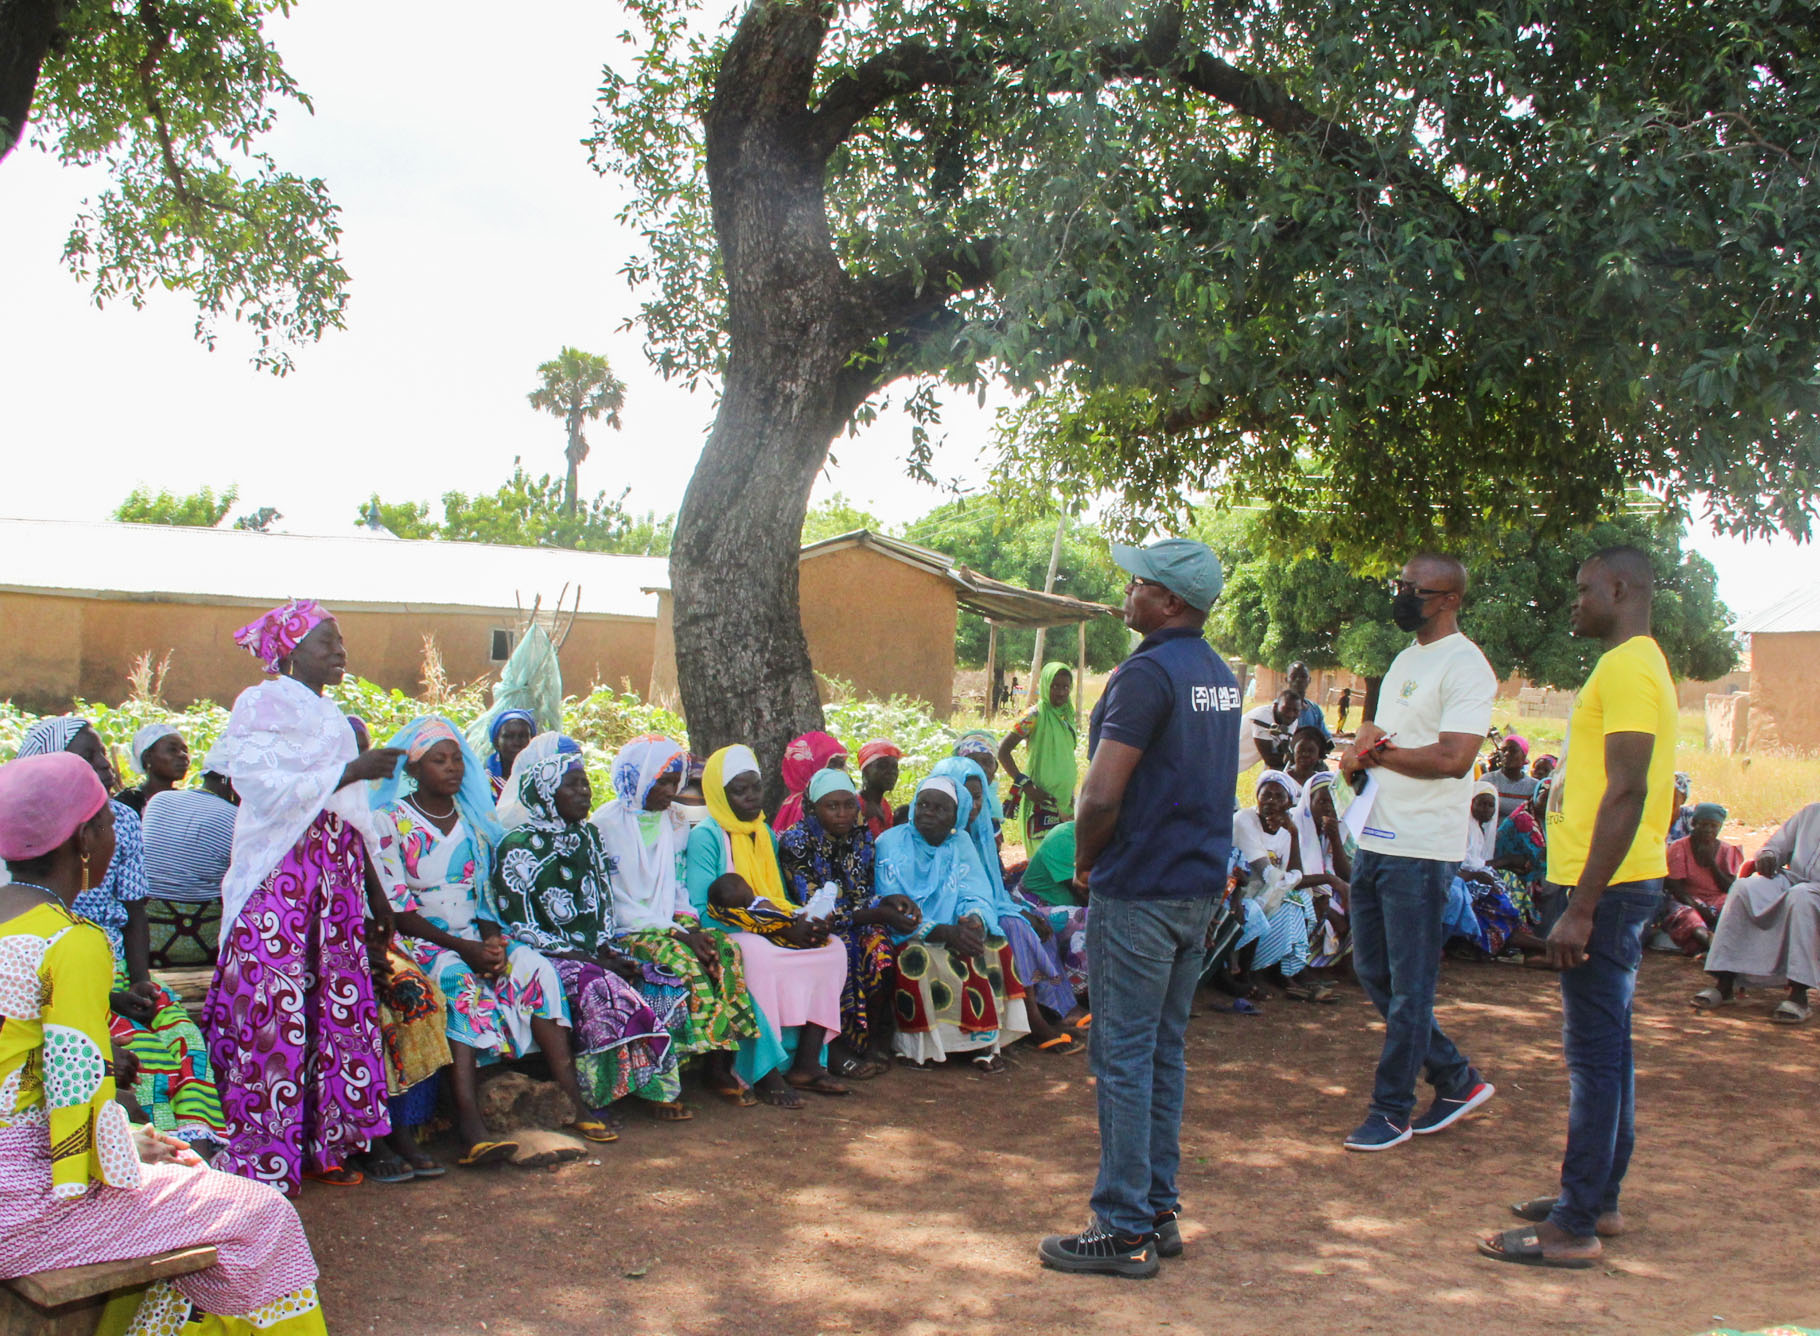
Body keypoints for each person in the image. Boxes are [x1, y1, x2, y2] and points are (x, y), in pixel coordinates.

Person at [0, 752, 330, 1334]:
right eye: (106, 825)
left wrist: (125, 1136)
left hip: (20, 1169)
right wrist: (131, 1152)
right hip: (26, 1202)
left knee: (184, 1184)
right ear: (84, 839)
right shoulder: (71, 942)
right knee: (263, 1215)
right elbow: (74, 1104)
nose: (114, 840)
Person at [1039, 536, 1238, 1279]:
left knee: (1121, 1055)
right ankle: (1157, 1208)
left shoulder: (1145, 674)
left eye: (1139, 584)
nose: (1127, 594)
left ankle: (1121, 1227)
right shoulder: (1220, 675)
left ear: (1171, 602)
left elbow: (1100, 793)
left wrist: (1085, 860)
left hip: (1142, 890)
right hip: (1194, 890)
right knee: (1163, 1051)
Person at [1478, 546, 1677, 1270]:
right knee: (1609, 1051)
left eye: (1583, 588)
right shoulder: (1638, 662)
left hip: (1609, 889)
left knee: (1592, 1058)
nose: (1574, 601)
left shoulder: (1628, 666)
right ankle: (1600, 1197)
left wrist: (1584, 906)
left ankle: (1574, 1224)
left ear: (1618, 588)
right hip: (1613, 885)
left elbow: (1628, 789)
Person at [200, 600, 400, 1193]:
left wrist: (377, 895)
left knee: (326, 1009)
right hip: (280, 873)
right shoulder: (258, 702)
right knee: (274, 1003)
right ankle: (259, 1156)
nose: (340, 652)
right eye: (327, 642)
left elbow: (350, 812)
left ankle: (320, 1145)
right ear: (288, 651)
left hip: (333, 876)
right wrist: (352, 769)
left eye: (341, 642)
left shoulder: (332, 715)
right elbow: (258, 786)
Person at [370, 719, 616, 1160]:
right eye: (438, 761)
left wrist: (493, 943)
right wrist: (466, 950)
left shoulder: (472, 823)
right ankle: (471, 1126)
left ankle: (572, 1101)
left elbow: (486, 899)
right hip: (422, 941)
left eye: (457, 760)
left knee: (536, 971)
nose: (452, 769)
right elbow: (400, 913)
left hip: (473, 936)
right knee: (458, 983)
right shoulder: (389, 822)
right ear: (413, 769)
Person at [1337, 552, 1497, 1154]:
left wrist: (1378, 755)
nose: (1402, 595)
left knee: (1410, 987)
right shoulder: (1406, 657)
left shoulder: (1467, 666)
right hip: (1376, 834)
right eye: (1399, 585)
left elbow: (1453, 759)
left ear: (1450, 598)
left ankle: (1392, 1109)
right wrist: (1361, 752)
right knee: (1373, 972)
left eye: (1414, 589)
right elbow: (1373, 734)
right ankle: (1455, 1078)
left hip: (1423, 850)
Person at [15, 717, 229, 1152]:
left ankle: (197, 1140)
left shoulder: (124, 821)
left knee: (184, 1039)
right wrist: (109, 998)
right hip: (70, 987)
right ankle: (162, 1147)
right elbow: (50, 984)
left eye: (102, 753)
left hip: (114, 974)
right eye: (88, 756)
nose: (105, 764)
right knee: (145, 1060)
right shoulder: (31, 847)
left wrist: (139, 981)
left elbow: (134, 910)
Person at [489, 748, 689, 1120]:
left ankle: (652, 1088)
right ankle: (593, 1096)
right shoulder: (518, 847)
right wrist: (589, 958)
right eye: (573, 785)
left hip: (591, 951)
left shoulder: (587, 837)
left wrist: (605, 950)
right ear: (547, 792)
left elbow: (600, 905)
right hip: (545, 956)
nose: (585, 793)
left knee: (660, 976)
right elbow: (520, 924)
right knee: (599, 987)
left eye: (586, 784)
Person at [591, 735, 760, 1105]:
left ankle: (719, 1064)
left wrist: (691, 927)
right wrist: (677, 935)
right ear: (638, 778)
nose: (671, 790)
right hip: (625, 929)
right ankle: (665, 1080)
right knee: (682, 963)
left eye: (675, 781)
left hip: (670, 926)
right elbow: (611, 901)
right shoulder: (605, 825)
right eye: (663, 781)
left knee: (725, 951)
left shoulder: (676, 821)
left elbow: (678, 885)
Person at [687, 745, 850, 1107]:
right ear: (719, 792)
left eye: (755, 788)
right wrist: (768, 930)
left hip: (769, 922)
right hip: (729, 928)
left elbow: (776, 896)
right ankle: (763, 1069)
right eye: (738, 790)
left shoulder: (765, 834)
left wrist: (803, 921)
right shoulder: (708, 836)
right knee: (756, 955)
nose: (749, 798)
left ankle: (806, 1062)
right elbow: (700, 909)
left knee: (833, 948)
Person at [874, 776, 1025, 1069]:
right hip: (908, 931)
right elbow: (889, 901)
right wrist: (939, 930)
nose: (928, 812)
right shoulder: (891, 842)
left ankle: (983, 1043)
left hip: (954, 926)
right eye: (923, 805)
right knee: (915, 958)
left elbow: (975, 890)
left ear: (955, 816)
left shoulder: (961, 842)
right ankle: (924, 1048)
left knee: (994, 945)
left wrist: (974, 921)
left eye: (940, 808)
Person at [933, 755, 1082, 1048]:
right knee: (1014, 927)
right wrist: (1006, 912)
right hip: (951, 913)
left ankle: (1057, 1007)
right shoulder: (938, 835)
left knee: (1035, 921)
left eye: (978, 797)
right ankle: (1032, 1019)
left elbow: (992, 888)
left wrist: (1017, 909)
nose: (974, 805)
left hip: (986, 906)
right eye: (966, 797)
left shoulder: (980, 833)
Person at [777, 768, 901, 1077]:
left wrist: (885, 905)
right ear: (813, 807)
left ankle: (872, 1040)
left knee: (881, 948)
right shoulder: (796, 841)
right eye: (832, 806)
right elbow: (814, 907)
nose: (843, 813)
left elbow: (865, 891)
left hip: (856, 918)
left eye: (849, 805)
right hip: (812, 926)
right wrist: (874, 913)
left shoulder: (861, 836)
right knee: (840, 947)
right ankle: (836, 1047)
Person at [1695, 804, 1820, 1024]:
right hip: (1794, 880)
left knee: (1801, 897)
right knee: (1744, 888)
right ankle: (1724, 984)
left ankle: (1799, 996)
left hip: (1811, 892)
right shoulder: (1811, 813)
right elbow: (1775, 846)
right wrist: (1768, 855)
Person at [1229, 771, 1326, 1001]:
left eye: (1278, 797)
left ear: (1289, 803)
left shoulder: (1288, 830)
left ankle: (1286, 970)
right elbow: (1269, 874)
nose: (1271, 801)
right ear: (1257, 798)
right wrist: (1291, 881)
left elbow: (1296, 875)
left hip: (1269, 894)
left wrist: (1292, 833)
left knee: (1299, 898)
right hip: (1242, 891)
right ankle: (1271, 972)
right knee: (1294, 898)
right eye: (1266, 795)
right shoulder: (1245, 819)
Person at [999, 662, 1079, 853]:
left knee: (1063, 861)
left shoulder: (1067, 715)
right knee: (1044, 863)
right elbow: (1003, 751)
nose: (1060, 692)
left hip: (1064, 803)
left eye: (1065, 687)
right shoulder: (1033, 716)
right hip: (1041, 802)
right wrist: (1025, 784)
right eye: (1054, 686)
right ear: (1045, 685)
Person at [1446, 782, 1527, 957]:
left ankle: (1509, 935)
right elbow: (1460, 865)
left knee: (1508, 881)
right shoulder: (1462, 828)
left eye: (1491, 805)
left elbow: (1479, 863)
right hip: (1457, 877)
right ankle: (1480, 940)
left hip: (1470, 875)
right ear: (1470, 803)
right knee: (1491, 893)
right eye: (1481, 803)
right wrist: (1501, 862)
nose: (1486, 809)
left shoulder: (1479, 830)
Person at [1012, 819, 1090, 998]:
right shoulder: (1065, 837)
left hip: (1068, 905)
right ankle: (1078, 992)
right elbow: (1085, 891)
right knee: (1095, 921)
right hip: (1035, 907)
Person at [142, 769, 238, 904]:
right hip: (201, 918)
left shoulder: (160, 799)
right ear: (229, 780)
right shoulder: (235, 817)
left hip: (144, 913)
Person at [1660, 803, 1743, 955]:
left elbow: (1730, 887)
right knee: (1690, 918)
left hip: (1717, 898)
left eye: (1714, 826)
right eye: (1703, 825)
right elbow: (1676, 887)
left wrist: (1711, 862)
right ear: (1694, 824)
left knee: (1733, 909)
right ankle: (1712, 945)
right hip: (1688, 898)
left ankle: (1721, 945)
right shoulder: (1680, 848)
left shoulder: (1727, 850)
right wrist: (1699, 908)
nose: (1708, 830)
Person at [1489, 783, 1550, 924]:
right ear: (1535, 796)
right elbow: (1539, 859)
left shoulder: (1548, 819)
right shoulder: (1524, 819)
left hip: (1525, 869)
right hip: (1513, 873)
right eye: (1544, 798)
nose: (1549, 803)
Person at [771, 730, 849, 833]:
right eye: (836, 767)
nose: (844, 771)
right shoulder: (813, 809)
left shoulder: (790, 808)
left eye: (842, 765)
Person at [114, 723, 190, 816]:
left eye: (185, 750)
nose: (183, 755)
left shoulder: (187, 804)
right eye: (172, 749)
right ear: (147, 756)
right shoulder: (126, 804)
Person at [1238, 690, 1301, 773]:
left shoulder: (1293, 721)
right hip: (1222, 757)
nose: (1290, 714)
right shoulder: (1261, 717)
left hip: (1237, 765)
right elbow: (1270, 759)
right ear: (1275, 706)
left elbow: (1282, 752)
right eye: (1286, 709)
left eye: (1295, 710)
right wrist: (1299, 761)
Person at [484, 709, 539, 800]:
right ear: (496, 743)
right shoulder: (485, 783)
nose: (516, 743)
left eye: (523, 736)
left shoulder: (541, 778)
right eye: (508, 736)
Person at [855, 738, 904, 838]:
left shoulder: (884, 806)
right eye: (882, 766)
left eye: (894, 766)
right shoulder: (855, 806)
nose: (891, 772)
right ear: (865, 771)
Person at [1485, 736, 1539, 821]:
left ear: (1524, 756)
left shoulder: (1534, 787)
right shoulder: (1488, 780)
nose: (1506, 754)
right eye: (1503, 750)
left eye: (1513, 750)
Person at [1285, 662, 1331, 742]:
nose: (1298, 680)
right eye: (1293, 676)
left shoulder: (1315, 710)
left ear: (1309, 680)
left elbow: (1325, 738)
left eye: (1303, 676)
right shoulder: (1278, 708)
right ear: (1286, 680)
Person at [1665, 773, 1695, 843]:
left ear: (1683, 798)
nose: (1668, 798)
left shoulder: (1688, 815)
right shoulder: (1650, 815)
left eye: (1673, 795)